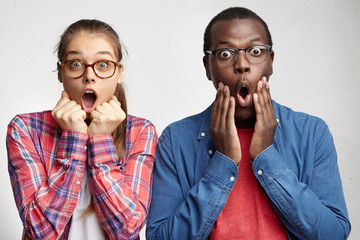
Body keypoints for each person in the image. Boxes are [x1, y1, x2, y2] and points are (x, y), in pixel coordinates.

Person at [146, 7, 351, 240]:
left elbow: (333, 234)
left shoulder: (313, 134)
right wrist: (223, 163)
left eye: (255, 51)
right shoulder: (175, 140)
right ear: (207, 67)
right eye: (225, 53)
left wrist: (267, 156)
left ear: (271, 62)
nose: (242, 64)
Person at [7, 19, 157, 240]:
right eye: (76, 64)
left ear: (119, 73)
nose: (89, 75)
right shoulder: (26, 129)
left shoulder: (140, 132)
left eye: (103, 64)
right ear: (61, 72)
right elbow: (41, 231)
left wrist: (101, 139)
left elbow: (127, 230)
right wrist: (74, 139)